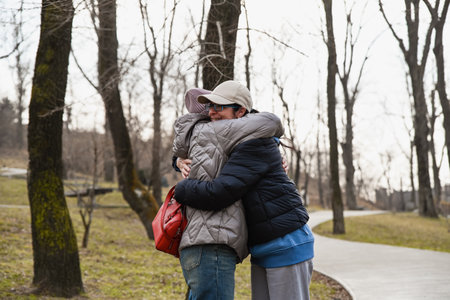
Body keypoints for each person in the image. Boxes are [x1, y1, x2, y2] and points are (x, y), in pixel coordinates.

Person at [174, 86, 314, 300]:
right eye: (210, 106)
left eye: (219, 106)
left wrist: (181, 189)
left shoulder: (255, 144)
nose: (211, 111)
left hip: (286, 242)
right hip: (262, 245)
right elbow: (197, 129)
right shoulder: (233, 140)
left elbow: (220, 192)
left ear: (240, 112)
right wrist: (177, 161)